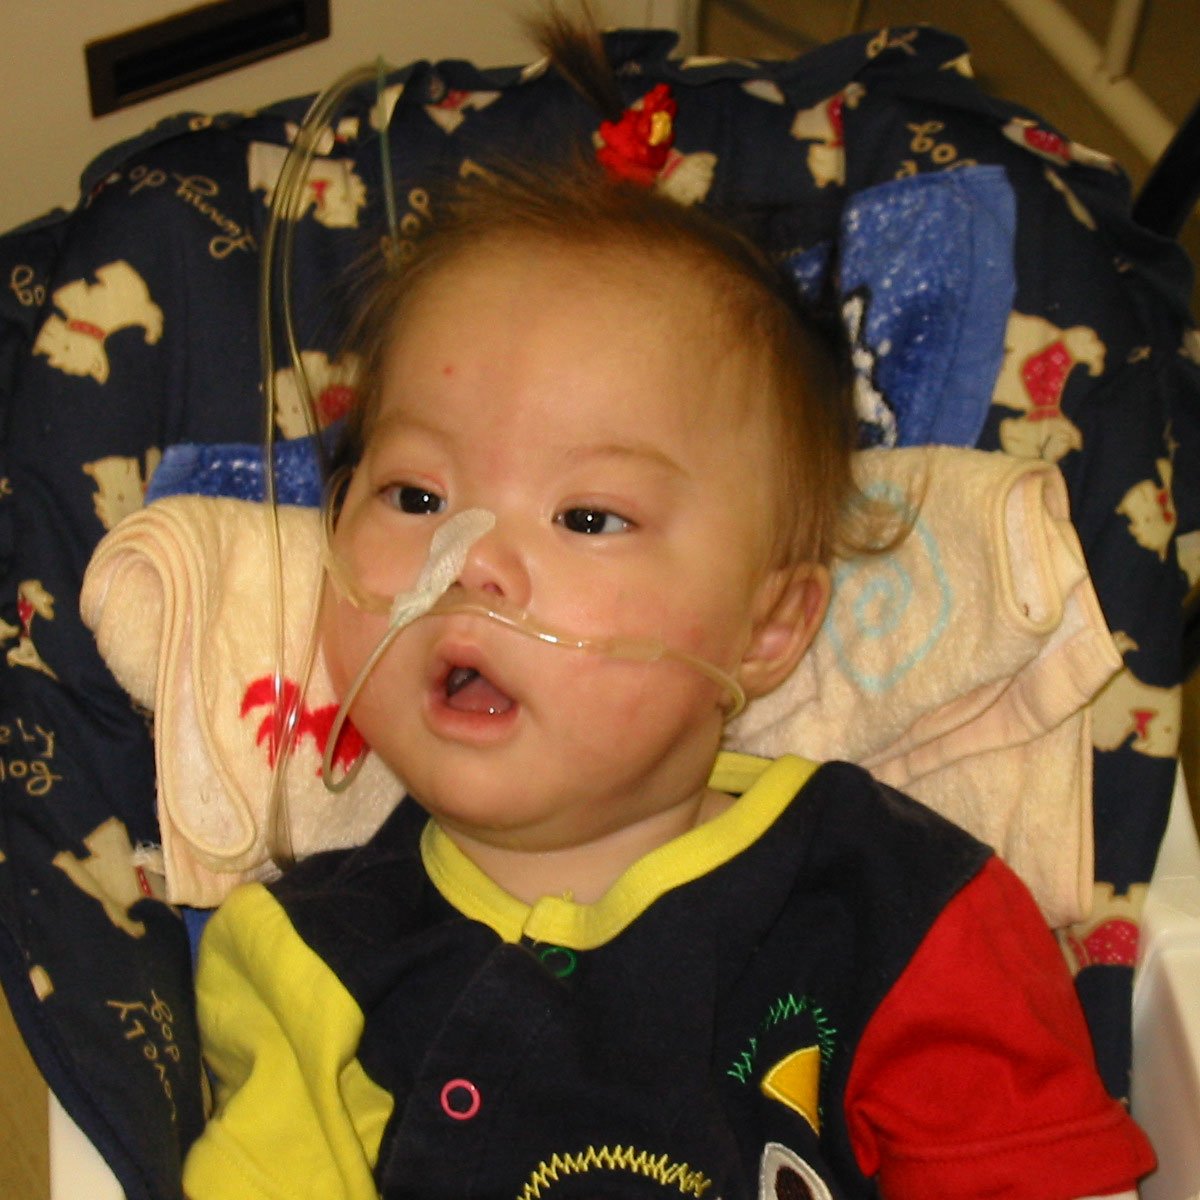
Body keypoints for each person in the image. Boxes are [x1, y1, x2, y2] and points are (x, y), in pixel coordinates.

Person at [181, 43, 1154, 1200]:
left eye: (589, 516)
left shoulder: (894, 907)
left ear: (768, 629)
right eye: (415, 496)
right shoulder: (310, 965)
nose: (470, 560)